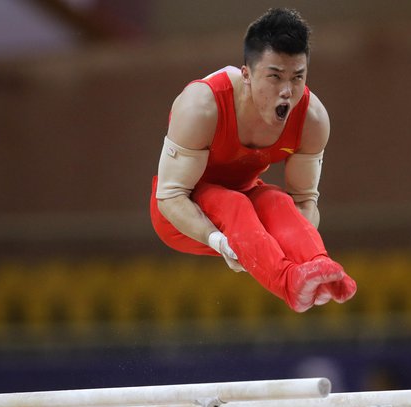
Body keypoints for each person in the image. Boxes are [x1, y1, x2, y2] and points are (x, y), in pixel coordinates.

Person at [150, 8, 356, 312]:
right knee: (234, 204)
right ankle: (288, 283)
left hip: (246, 196)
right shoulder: (202, 106)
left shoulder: (312, 118)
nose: (286, 92)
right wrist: (219, 242)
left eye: (297, 77)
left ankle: (319, 269)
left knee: (277, 201)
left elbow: (304, 204)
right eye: (274, 77)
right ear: (246, 74)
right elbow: (169, 196)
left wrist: (300, 251)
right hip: (180, 212)